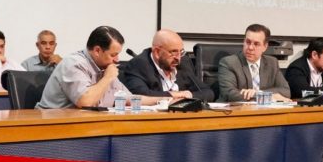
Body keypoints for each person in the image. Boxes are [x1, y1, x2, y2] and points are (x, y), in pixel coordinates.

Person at [37, 26, 165, 108]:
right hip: (50, 125)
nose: (117, 59)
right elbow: (85, 102)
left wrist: (164, 100)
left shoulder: (104, 66)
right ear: (97, 50)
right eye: (113, 55)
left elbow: (128, 98)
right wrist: (107, 78)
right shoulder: (73, 64)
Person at [121, 29, 214, 101]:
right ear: (157, 52)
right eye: (173, 52)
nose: (178, 58)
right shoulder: (138, 65)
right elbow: (141, 96)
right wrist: (175, 95)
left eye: (181, 52)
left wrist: (190, 95)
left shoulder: (184, 62)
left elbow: (208, 92)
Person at [217, 24, 290, 102]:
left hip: (263, 108)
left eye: (256, 44)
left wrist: (259, 93)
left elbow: (286, 91)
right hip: (235, 108)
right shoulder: (229, 63)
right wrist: (264, 96)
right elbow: (228, 93)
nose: (250, 47)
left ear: (265, 47)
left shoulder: (272, 63)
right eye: (248, 42)